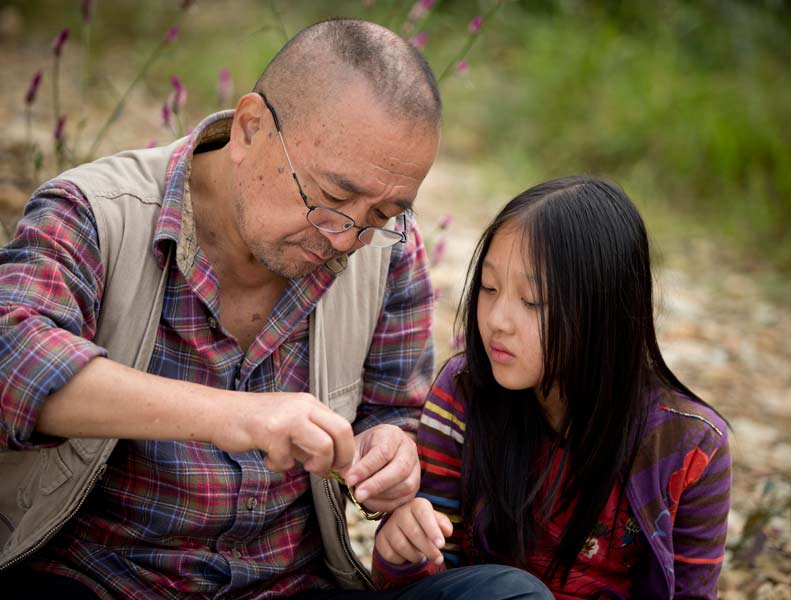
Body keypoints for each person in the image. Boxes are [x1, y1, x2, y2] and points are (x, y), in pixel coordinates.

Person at [0, 18, 551, 600]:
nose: (346, 239)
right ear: (249, 129)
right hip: (100, 581)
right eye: (333, 198)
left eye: (383, 213)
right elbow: (13, 361)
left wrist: (391, 454)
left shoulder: (384, 248)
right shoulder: (95, 211)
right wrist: (235, 415)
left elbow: (394, 410)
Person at [371, 176, 732, 599]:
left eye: (533, 300)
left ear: (605, 311)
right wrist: (401, 551)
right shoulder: (465, 392)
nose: (498, 320)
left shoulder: (690, 446)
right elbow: (432, 584)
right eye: (489, 288)